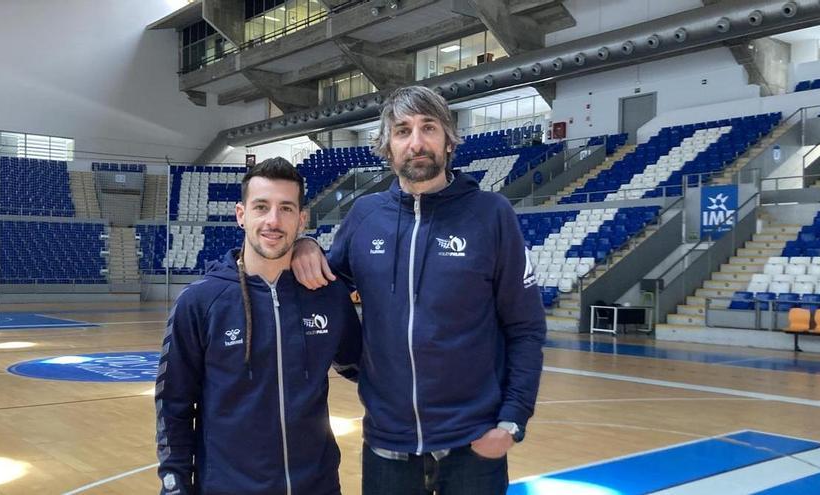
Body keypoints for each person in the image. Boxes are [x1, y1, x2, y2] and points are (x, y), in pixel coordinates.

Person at [292, 85, 547, 494]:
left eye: (428, 127)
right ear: (387, 147)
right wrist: (305, 244)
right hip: (387, 444)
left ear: (448, 141)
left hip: (473, 445)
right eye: (402, 130)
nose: (416, 142)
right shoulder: (365, 216)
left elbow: (526, 327)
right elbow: (325, 287)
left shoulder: (491, 215)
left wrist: (512, 420)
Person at [155, 157, 362, 495]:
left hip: (318, 485)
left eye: (286, 209)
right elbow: (173, 406)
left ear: (302, 219)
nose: (273, 221)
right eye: (261, 207)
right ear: (241, 215)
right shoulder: (200, 302)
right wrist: (175, 485)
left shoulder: (327, 296)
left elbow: (366, 368)